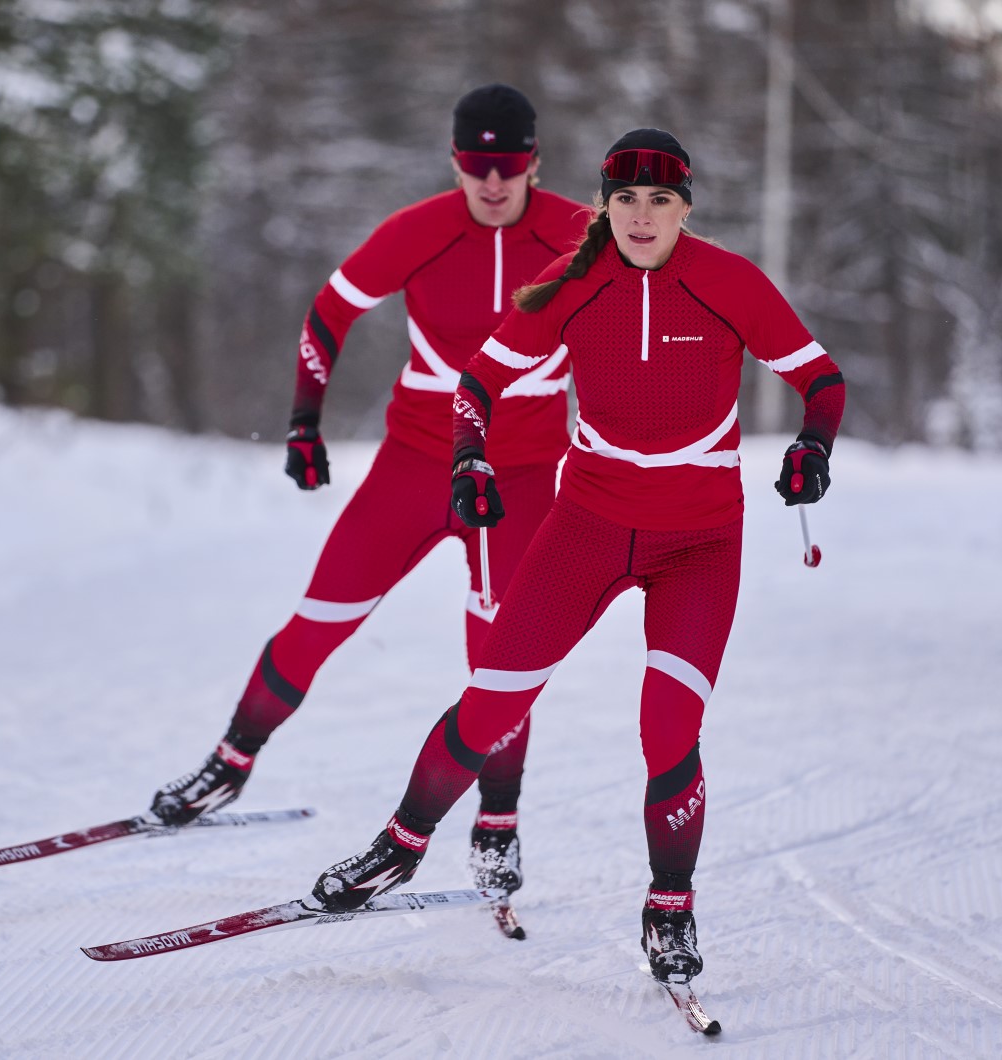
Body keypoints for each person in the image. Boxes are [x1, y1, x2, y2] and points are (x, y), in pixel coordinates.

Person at [308, 128, 847, 987]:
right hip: (587, 526)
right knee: (491, 701)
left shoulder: (729, 283)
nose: (640, 217)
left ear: (685, 209)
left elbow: (821, 379)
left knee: (667, 728)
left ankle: (670, 907)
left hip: (698, 543)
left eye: (660, 201)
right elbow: (478, 384)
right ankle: (398, 848)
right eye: (624, 199)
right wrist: (468, 458)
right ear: (604, 204)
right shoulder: (571, 282)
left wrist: (813, 448)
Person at [150, 85, 592, 900]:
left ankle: (498, 821)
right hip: (418, 461)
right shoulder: (419, 230)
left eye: (510, 164)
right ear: (454, 161)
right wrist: (303, 423)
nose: (492, 183)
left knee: (502, 661)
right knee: (322, 615)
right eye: (474, 165)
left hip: (523, 473)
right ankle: (229, 763)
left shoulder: (579, 232)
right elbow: (330, 311)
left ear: (535, 159)